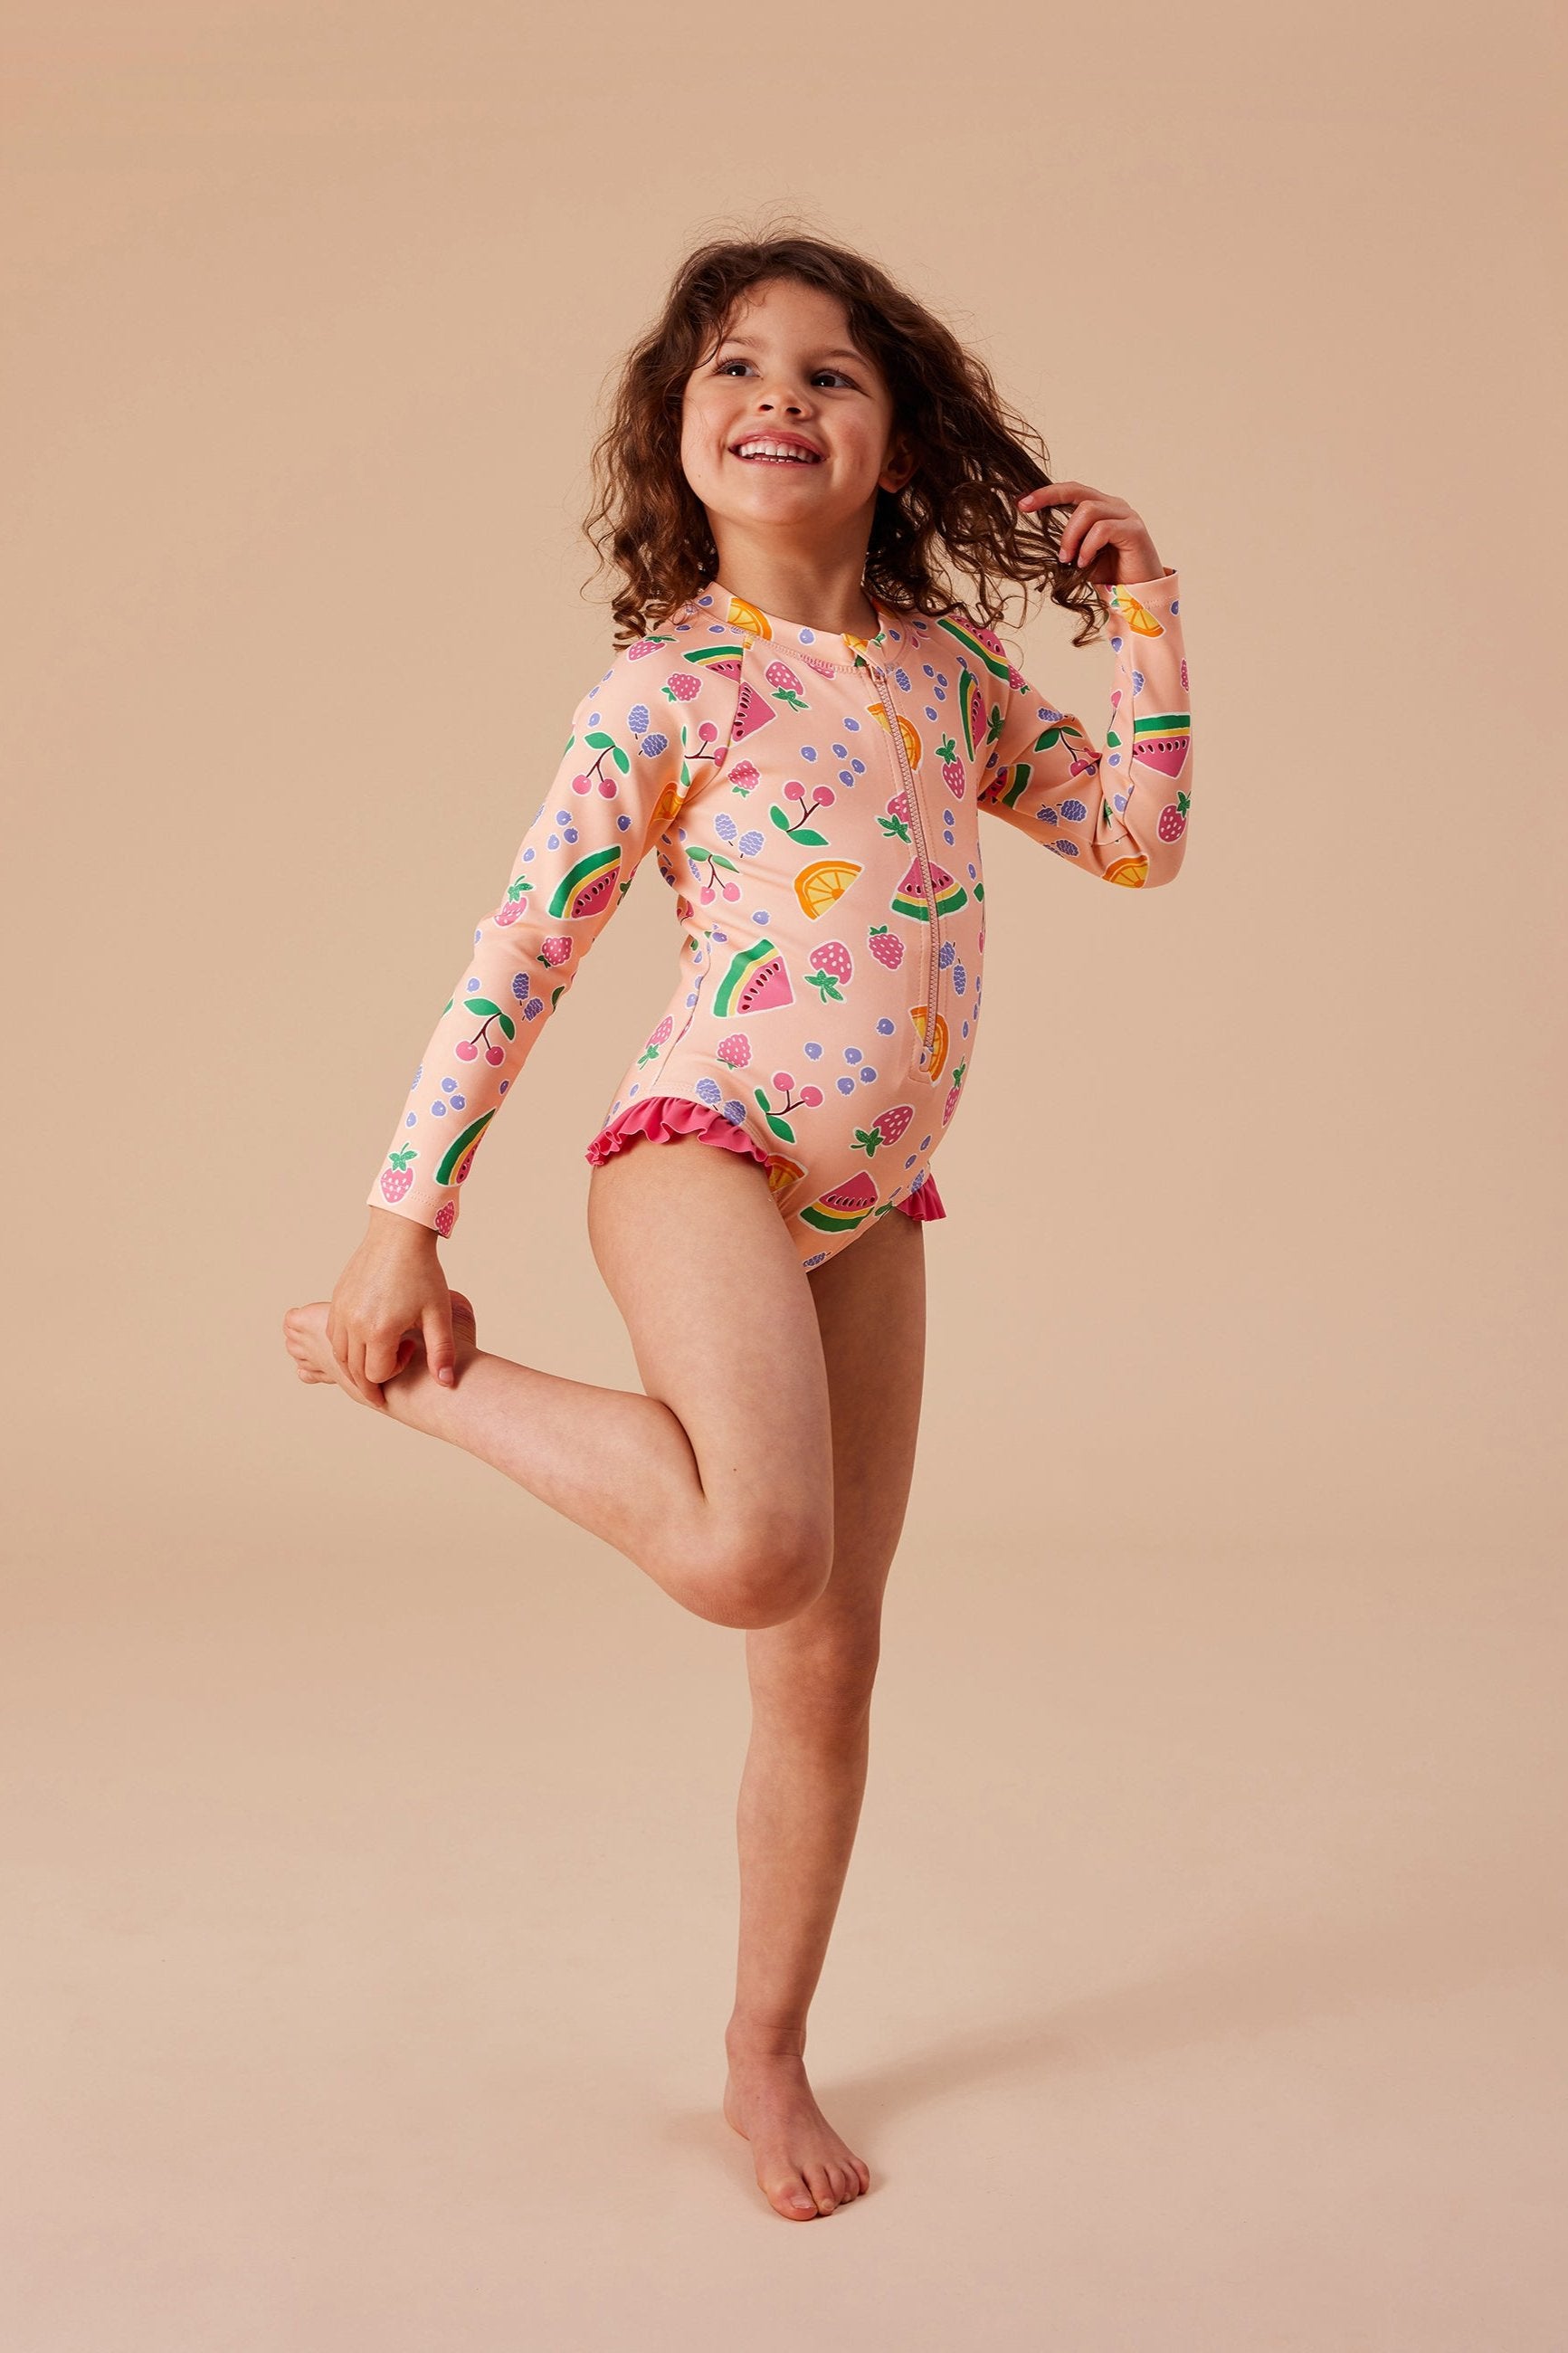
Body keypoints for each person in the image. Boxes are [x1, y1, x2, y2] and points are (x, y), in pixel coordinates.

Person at [281, 231, 1193, 2222]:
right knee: (758, 1546)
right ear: (678, 435)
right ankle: (420, 1390)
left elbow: (1136, 835)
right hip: (702, 1144)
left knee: (828, 1658)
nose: (782, 394)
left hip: (876, 1205)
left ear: (895, 438)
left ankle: (761, 2051)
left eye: (834, 373)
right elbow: (522, 948)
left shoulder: (948, 676)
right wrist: (400, 1220)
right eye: (736, 370)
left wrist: (1147, 618)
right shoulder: (667, 687)